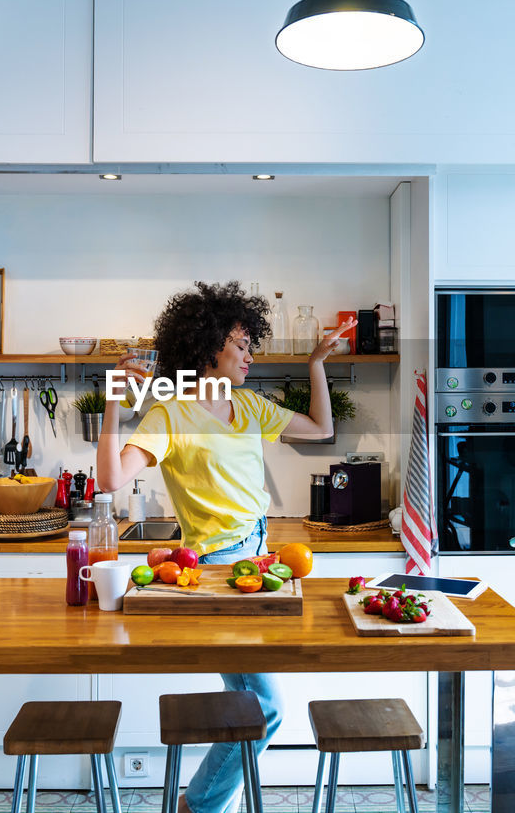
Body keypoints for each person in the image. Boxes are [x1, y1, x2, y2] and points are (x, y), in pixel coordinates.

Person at [97, 280, 354, 813]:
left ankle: (213, 803)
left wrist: (316, 364)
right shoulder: (169, 415)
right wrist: (111, 402)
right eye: (241, 345)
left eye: (250, 345)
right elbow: (111, 480)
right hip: (216, 569)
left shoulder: (247, 406)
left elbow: (322, 428)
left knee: (252, 704)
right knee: (266, 706)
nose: (249, 356)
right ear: (209, 345)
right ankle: (200, 805)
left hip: (260, 557)